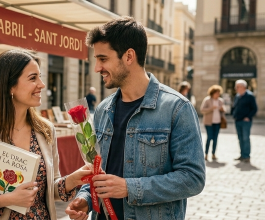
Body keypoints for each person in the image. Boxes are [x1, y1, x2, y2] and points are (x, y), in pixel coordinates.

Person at [65, 17, 206, 220]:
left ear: (129, 56)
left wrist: (129, 188)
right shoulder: (103, 109)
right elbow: (98, 172)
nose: (97, 68)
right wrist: (86, 198)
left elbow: (193, 178)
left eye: (103, 59)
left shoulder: (177, 108)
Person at [0, 50, 93, 220]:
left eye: (40, 77)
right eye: (33, 78)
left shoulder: (45, 130)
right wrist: (7, 199)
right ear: (10, 86)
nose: (42, 84)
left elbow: (48, 190)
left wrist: (72, 181)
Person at [231, 80, 257, 162]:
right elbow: (234, 107)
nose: (236, 88)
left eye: (237, 86)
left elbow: (254, 108)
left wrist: (248, 117)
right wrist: (234, 115)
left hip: (245, 121)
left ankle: (247, 156)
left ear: (243, 87)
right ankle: (242, 155)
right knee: (240, 138)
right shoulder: (237, 96)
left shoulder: (250, 96)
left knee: (245, 138)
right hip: (237, 120)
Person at [200, 85, 227, 160]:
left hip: (218, 122)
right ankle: (206, 154)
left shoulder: (220, 100)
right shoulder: (207, 100)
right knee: (209, 138)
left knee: (215, 138)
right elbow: (202, 110)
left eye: (219, 93)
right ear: (212, 93)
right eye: (216, 93)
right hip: (209, 123)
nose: (218, 94)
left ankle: (213, 154)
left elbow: (224, 110)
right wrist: (211, 108)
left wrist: (222, 109)